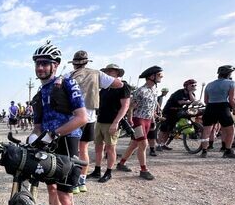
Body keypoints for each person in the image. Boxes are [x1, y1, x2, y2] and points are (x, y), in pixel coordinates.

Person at [29, 41, 87, 205]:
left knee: (65, 194)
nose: (40, 68)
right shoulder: (41, 91)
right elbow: (38, 125)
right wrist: (34, 139)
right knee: (51, 187)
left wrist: (54, 134)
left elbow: (81, 117)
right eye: (37, 64)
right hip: (49, 142)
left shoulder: (67, 84)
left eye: (45, 63)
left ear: (56, 65)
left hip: (67, 142)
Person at [68, 50, 124, 193]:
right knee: (84, 149)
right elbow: (119, 84)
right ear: (87, 62)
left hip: (73, 117)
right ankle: (82, 181)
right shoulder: (96, 74)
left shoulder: (68, 75)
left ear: (74, 64)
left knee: (72, 150)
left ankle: (72, 181)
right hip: (90, 117)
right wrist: (100, 84)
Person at [116, 66, 164, 180]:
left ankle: (121, 163)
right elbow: (131, 106)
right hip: (138, 120)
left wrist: (153, 118)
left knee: (134, 144)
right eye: (160, 75)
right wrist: (130, 118)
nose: (161, 77)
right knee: (143, 144)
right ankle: (144, 170)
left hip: (147, 120)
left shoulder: (154, 90)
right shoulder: (140, 91)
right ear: (151, 76)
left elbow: (151, 107)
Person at [87, 64, 130, 183]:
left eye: (110, 71)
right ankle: (97, 170)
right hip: (100, 121)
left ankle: (109, 172)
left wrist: (116, 122)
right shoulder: (105, 88)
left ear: (117, 73)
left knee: (110, 148)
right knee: (98, 147)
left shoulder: (123, 86)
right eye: (106, 71)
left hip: (112, 122)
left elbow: (125, 106)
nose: (107, 73)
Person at [200, 65, 235, 158]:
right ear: (229, 74)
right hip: (223, 107)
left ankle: (204, 151)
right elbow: (232, 99)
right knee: (230, 130)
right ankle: (228, 151)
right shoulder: (231, 83)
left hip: (210, 107)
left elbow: (206, 101)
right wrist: (234, 109)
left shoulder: (209, 84)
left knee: (206, 131)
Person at [156, 79, 199, 152]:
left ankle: (164, 144)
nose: (194, 86)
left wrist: (191, 93)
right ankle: (159, 145)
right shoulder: (179, 92)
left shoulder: (191, 94)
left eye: (195, 85)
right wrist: (190, 102)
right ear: (186, 86)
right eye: (192, 85)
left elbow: (194, 101)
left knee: (170, 130)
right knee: (164, 129)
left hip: (178, 111)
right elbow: (180, 102)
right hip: (169, 111)